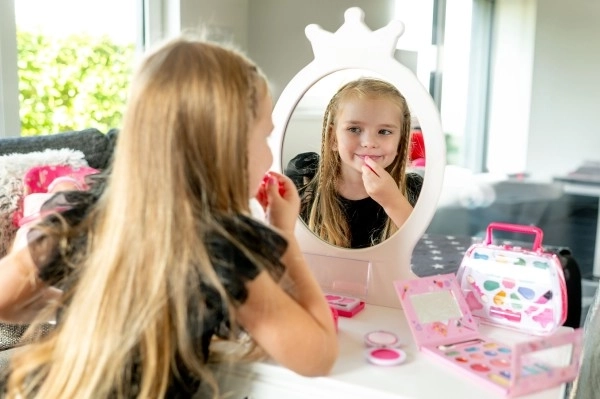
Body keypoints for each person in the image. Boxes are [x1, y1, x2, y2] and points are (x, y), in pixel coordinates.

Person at [0, 35, 338, 398]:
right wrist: (286, 239)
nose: (269, 158)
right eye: (265, 138)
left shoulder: (79, 217)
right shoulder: (220, 251)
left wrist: (81, 299)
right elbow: (317, 355)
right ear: (228, 149)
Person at [285, 78, 423, 249]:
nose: (369, 142)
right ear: (333, 138)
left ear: (400, 143)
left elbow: (423, 251)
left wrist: (393, 202)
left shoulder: (412, 189)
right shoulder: (305, 174)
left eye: (384, 131)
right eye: (354, 129)